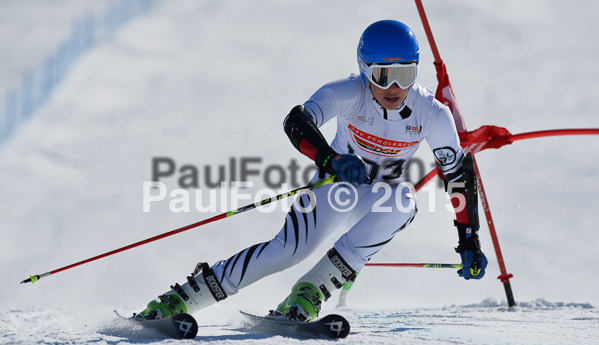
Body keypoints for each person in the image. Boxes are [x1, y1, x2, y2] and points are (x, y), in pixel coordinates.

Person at [135, 20, 488, 322]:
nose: (394, 88)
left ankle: (309, 293)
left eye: (405, 74)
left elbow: (458, 173)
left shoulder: (432, 112)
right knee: (290, 250)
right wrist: (330, 159)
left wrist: (468, 239)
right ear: (365, 70)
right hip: (337, 186)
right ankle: (180, 299)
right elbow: (296, 121)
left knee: (404, 200)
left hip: (382, 197)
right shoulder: (349, 92)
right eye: (383, 75)